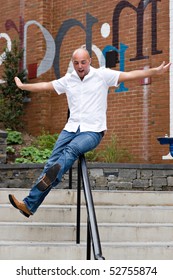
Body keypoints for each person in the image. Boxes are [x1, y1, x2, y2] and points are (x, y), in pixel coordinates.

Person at [9, 48, 171, 218]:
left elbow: (130, 75)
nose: (80, 66)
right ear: (73, 63)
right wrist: (23, 86)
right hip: (70, 128)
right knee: (51, 163)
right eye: (76, 63)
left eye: (83, 62)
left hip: (92, 131)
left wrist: (155, 71)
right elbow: (46, 85)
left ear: (90, 61)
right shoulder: (68, 80)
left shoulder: (102, 75)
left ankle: (51, 177)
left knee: (71, 151)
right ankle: (29, 204)